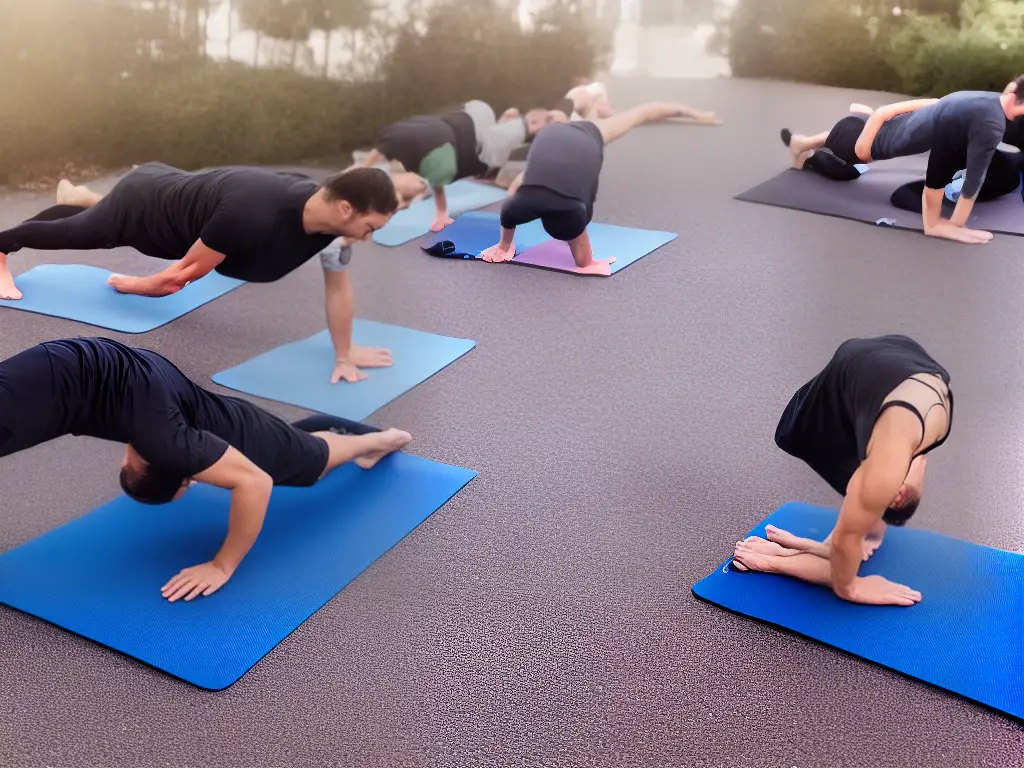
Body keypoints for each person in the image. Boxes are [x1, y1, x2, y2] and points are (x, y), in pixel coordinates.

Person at [0, 336, 413, 602]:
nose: (124, 456)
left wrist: (222, 564)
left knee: (309, 464)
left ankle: (383, 439)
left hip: (233, 426)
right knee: (300, 458)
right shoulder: (156, 437)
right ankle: (346, 436)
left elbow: (256, 479)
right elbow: (247, 478)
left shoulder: (165, 440)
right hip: (101, 363)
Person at [0, 164, 399, 384]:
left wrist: (345, 355)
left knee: (91, 218)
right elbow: (173, 279)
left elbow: (338, 289)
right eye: (371, 228)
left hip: (174, 196)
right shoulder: (251, 216)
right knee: (79, 233)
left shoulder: (329, 229)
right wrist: (128, 284)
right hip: (144, 210)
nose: (368, 238)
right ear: (346, 209)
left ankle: (85, 200)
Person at [732, 335, 953, 607]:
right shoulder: (885, 471)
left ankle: (818, 548)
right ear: (894, 496)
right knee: (844, 561)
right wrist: (852, 586)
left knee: (859, 524)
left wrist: (802, 545)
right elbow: (844, 544)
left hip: (894, 358)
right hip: (845, 386)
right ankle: (774, 563)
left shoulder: (923, 442)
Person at [478, 102, 721, 276]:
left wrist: (504, 246)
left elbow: (581, 250)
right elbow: (582, 256)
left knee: (639, 114)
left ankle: (600, 106)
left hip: (582, 136)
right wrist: (504, 245)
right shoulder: (526, 203)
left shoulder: (572, 207)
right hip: (564, 137)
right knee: (635, 115)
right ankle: (599, 107)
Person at [781, 77, 1024, 244]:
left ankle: (801, 144)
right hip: (856, 142)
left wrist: (877, 116)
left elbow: (934, 104)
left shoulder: (976, 100)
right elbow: (972, 179)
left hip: (870, 128)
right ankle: (808, 158)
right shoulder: (989, 123)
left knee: (847, 132)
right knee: (847, 166)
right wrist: (950, 224)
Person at [361, 100, 551, 232]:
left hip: (469, 132)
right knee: (491, 142)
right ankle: (511, 120)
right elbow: (375, 157)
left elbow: (437, 188)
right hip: (470, 118)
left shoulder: (431, 157)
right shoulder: (398, 139)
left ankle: (518, 121)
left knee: (491, 149)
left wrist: (440, 213)